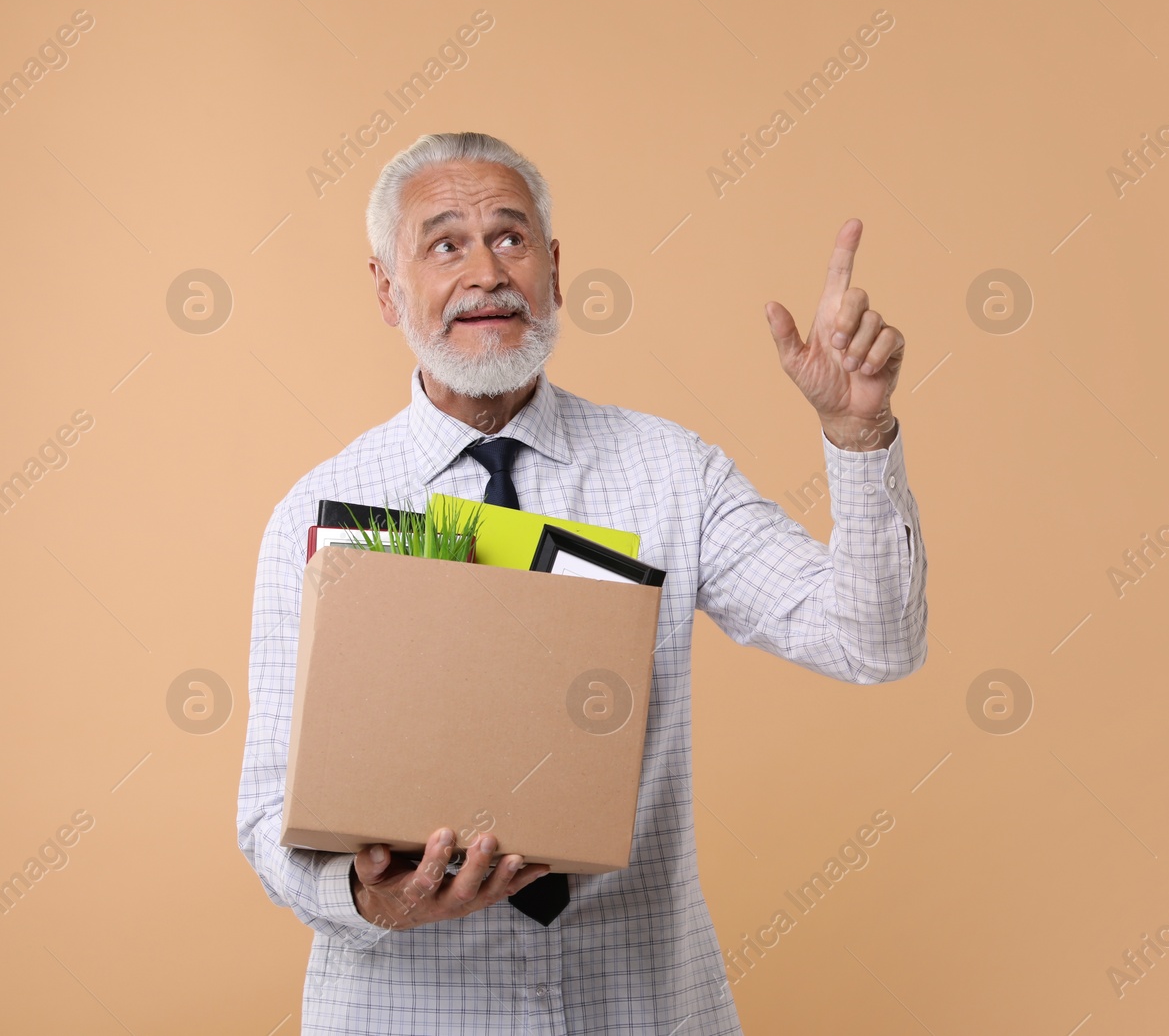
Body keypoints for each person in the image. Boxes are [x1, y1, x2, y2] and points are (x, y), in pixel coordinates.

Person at [236, 131, 928, 1034]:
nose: (487, 271)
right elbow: (264, 819)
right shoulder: (315, 515)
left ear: (555, 270)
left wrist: (857, 435)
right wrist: (371, 899)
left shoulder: (676, 473)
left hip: (643, 1007)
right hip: (407, 1012)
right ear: (386, 289)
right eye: (445, 244)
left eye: (512, 238)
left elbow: (874, 643)